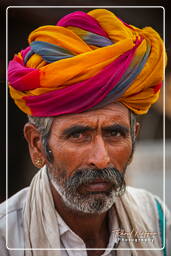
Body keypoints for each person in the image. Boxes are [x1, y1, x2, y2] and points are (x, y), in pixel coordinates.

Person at [1, 8, 170, 256]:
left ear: (133, 136)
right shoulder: (7, 236)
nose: (101, 159)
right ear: (37, 144)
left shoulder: (156, 219)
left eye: (115, 134)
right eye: (78, 135)